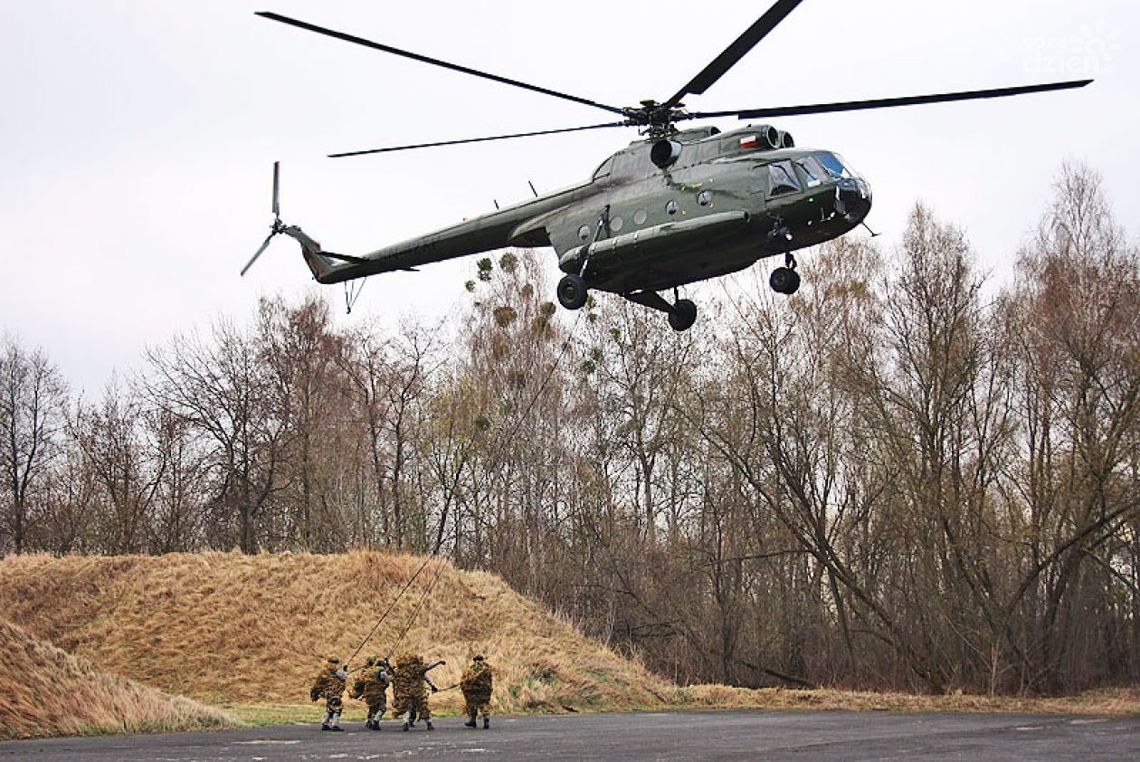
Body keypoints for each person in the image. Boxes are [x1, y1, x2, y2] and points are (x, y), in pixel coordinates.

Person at [391, 653, 445, 731]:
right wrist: (438, 662)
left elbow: (392, 673)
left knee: (406, 708)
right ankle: (429, 723)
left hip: (406, 693)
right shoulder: (419, 669)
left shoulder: (401, 670)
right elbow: (429, 667)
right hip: (418, 692)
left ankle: (405, 723)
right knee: (424, 708)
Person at [350, 656, 392, 730]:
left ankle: (370, 721)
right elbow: (386, 680)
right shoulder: (380, 670)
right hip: (378, 692)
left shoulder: (367, 671)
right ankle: (376, 721)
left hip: (368, 693)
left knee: (372, 708)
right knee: (382, 708)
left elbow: (360, 682)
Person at [310, 656, 348, 731]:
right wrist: (345, 670)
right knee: (338, 707)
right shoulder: (335, 670)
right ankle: (335, 725)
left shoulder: (325, 671)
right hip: (334, 692)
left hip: (327, 692)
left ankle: (324, 723)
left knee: (330, 708)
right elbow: (343, 677)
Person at [460, 654, 494, 729]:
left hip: (474, 690)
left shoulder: (472, 669)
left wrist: (464, 686)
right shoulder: (487, 669)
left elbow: (466, 679)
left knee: (473, 705)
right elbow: (490, 679)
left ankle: (473, 720)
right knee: (483, 704)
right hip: (483, 690)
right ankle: (485, 718)